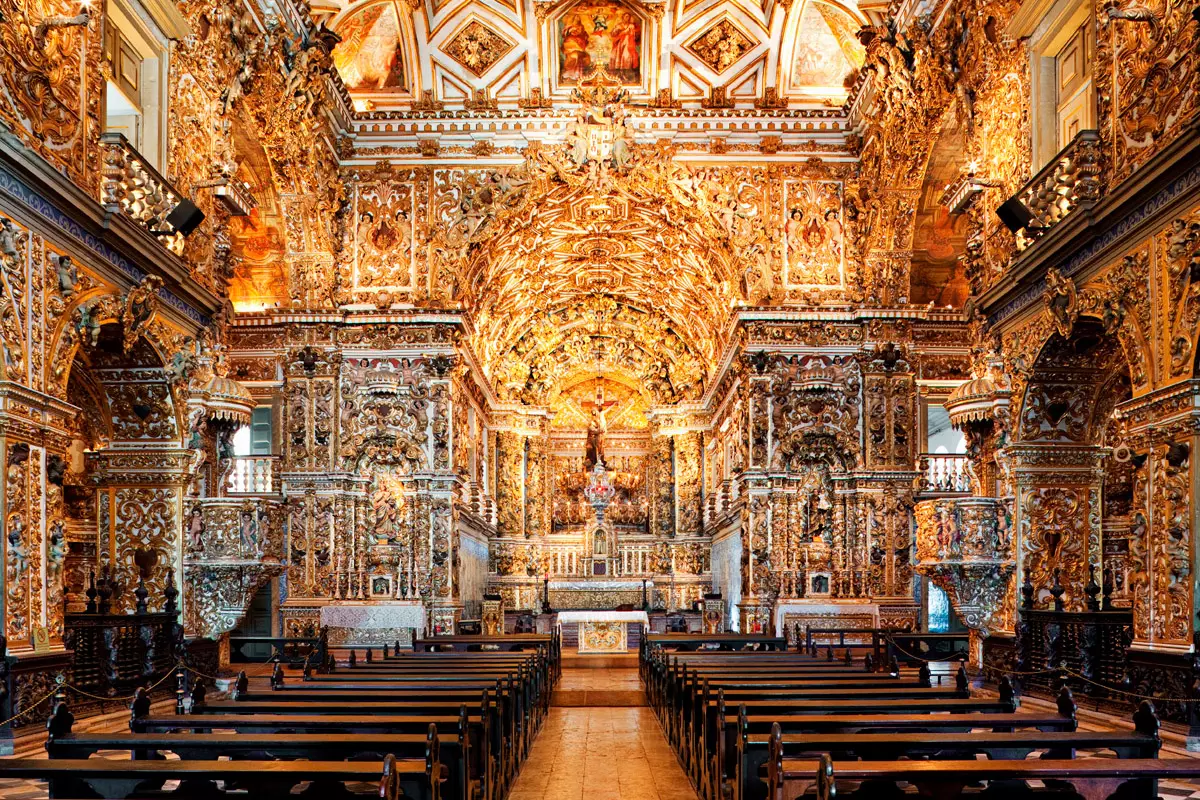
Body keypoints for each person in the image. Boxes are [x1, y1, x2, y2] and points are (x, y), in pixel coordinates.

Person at [608, 12, 640, 78]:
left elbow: (633, 34)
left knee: (626, 56)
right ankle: (619, 74)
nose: (627, 18)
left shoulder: (631, 25)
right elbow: (613, 34)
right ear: (623, 17)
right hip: (620, 43)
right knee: (617, 56)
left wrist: (629, 32)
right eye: (625, 16)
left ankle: (626, 74)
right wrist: (619, 31)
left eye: (628, 17)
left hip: (628, 43)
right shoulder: (619, 25)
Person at [561, 16, 591, 81]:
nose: (577, 19)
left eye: (578, 18)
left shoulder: (581, 27)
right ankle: (572, 74)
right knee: (574, 58)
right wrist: (572, 30)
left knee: (581, 58)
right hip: (571, 44)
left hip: (578, 44)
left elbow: (584, 34)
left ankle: (578, 74)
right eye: (575, 18)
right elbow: (565, 33)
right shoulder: (569, 35)